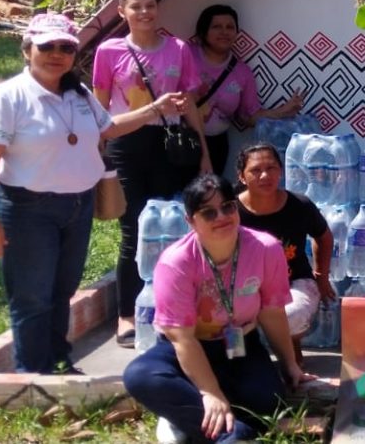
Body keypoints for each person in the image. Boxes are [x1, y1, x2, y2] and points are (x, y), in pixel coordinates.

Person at [0, 13, 191, 374]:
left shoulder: (78, 93)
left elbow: (108, 129)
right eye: (47, 47)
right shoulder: (8, 97)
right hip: (28, 209)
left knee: (62, 290)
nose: (56, 54)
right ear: (27, 50)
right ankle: (32, 375)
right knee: (32, 297)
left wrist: (155, 109)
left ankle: (58, 363)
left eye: (65, 47)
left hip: (77, 205)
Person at [123, 174, 313, 444]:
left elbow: (271, 312)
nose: (221, 217)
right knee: (140, 376)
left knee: (268, 399)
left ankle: (194, 420)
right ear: (191, 221)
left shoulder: (266, 248)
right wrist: (210, 392)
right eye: (208, 213)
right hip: (188, 348)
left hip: (239, 343)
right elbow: (182, 338)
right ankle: (229, 432)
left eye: (228, 207)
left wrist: (290, 364)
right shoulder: (176, 262)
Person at [94, 0, 212, 348]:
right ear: (122, 12)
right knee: (133, 229)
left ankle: (170, 310)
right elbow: (98, 109)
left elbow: (189, 102)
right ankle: (127, 314)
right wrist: (97, 151)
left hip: (169, 145)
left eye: (150, 6)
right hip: (126, 145)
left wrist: (204, 153)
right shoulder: (109, 51)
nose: (144, 12)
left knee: (171, 226)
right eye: (136, 7)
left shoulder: (178, 49)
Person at [233, 144, 334, 354]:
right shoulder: (231, 211)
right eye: (255, 170)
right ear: (242, 177)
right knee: (226, 316)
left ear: (280, 171)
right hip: (243, 284)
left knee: (290, 314)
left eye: (271, 168)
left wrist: (321, 277)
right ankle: (234, 361)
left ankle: (291, 357)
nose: (264, 175)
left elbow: (323, 237)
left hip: (294, 281)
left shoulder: (300, 205)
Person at [191, 4, 303, 176]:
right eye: (216, 27)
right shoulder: (187, 55)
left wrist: (283, 111)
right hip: (183, 141)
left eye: (230, 27)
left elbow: (248, 118)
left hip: (216, 146)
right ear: (203, 30)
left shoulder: (241, 72)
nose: (224, 32)